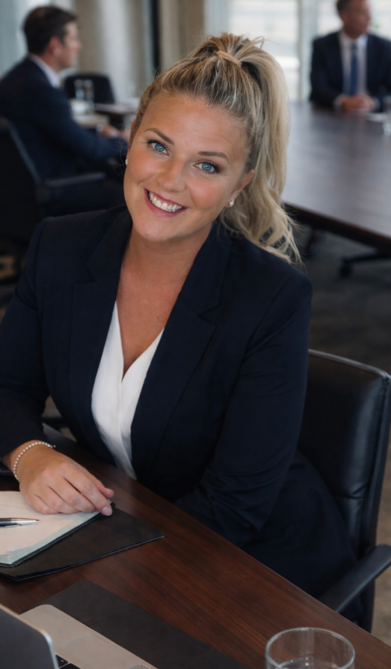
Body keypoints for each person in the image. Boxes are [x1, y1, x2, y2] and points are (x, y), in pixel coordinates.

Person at [0, 33, 356, 601]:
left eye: (207, 165)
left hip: (248, 565)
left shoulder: (270, 298)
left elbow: (234, 508)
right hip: (118, 524)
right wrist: (30, 453)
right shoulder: (62, 247)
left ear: (240, 184)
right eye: (159, 146)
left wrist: (103, 569)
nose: (169, 181)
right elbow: (7, 385)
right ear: (130, 136)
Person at [0, 6, 127, 209]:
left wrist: (97, 131)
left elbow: (54, 129)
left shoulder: (15, 79)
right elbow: (90, 149)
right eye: (73, 39)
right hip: (53, 189)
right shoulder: (40, 91)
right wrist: (124, 140)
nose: (79, 46)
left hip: (18, 194)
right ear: (55, 45)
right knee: (126, 194)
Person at [310, 0, 391, 112]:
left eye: (369, 12)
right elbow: (318, 86)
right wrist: (343, 101)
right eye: (362, 13)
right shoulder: (323, 45)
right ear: (344, 16)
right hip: (332, 115)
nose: (369, 18)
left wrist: (373, 102)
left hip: (371, 116)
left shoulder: (384, 47)